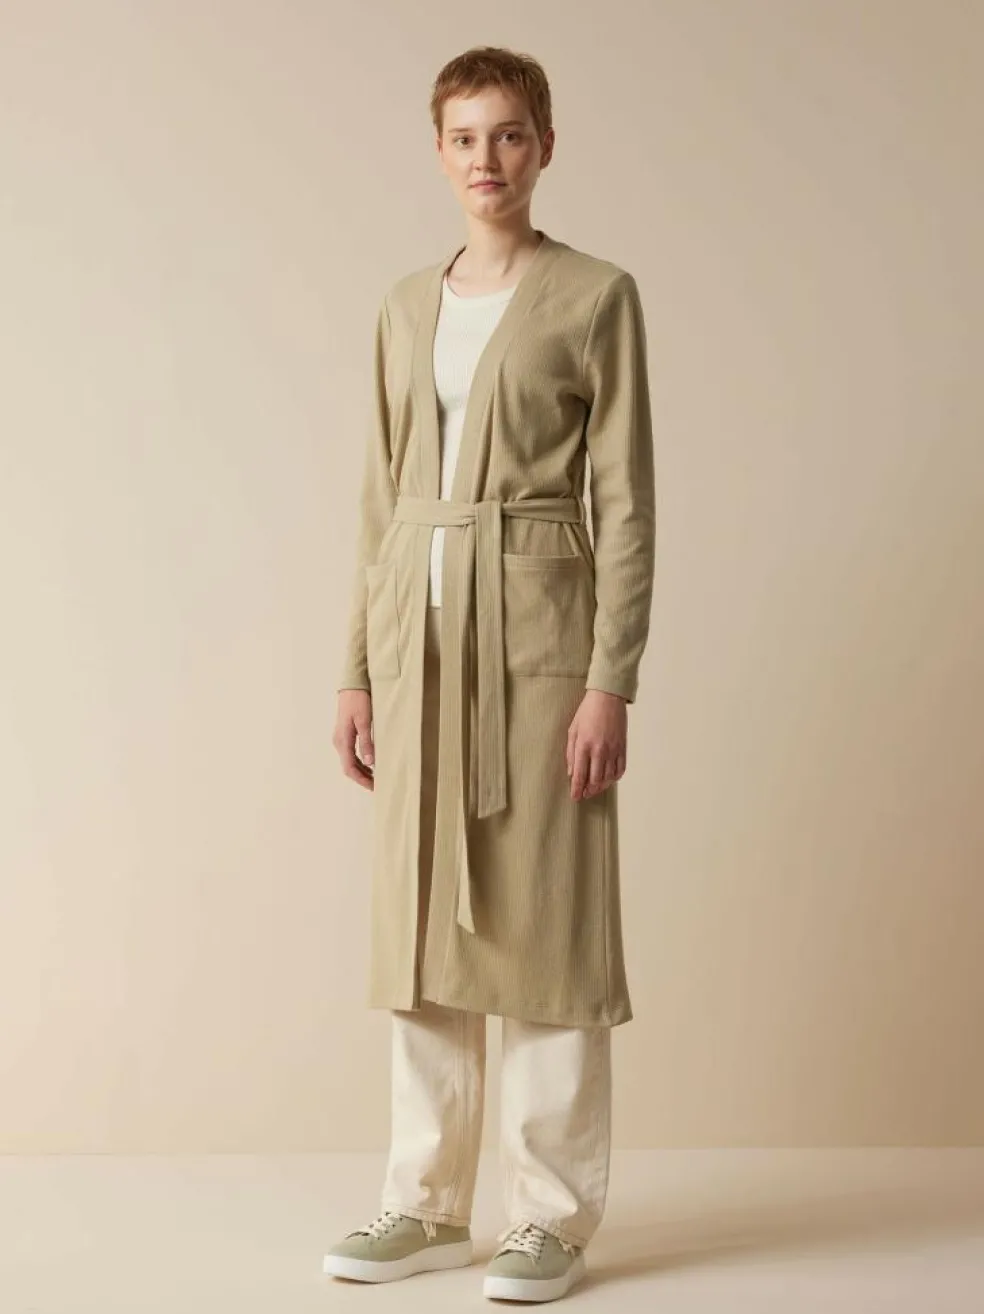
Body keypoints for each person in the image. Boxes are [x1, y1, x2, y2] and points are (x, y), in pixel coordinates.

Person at [324, 44, 655, 1304]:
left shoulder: (596, 296)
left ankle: (551, 1218)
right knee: (423, 927)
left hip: (538, 645)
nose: (487, 159)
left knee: (546, 921)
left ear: (545, 146)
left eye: (510, 134)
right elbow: (379, 500)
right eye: (465, 137)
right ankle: (423, 1204)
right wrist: (356, 669)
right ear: (439, 152)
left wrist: (611, 677)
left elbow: (626, 503)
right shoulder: (404, 306)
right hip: (417, 644)